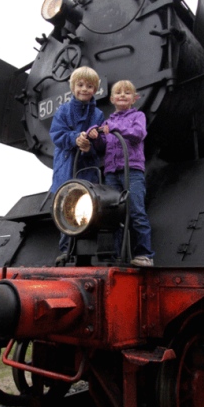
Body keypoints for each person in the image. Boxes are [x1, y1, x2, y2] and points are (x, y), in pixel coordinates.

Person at [88, 80, 155, 267]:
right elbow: (102, 146)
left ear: (134, 98)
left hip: (131, 170)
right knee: (114, 214)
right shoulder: (107, 122)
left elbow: (138, 134)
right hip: (111, 172)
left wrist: (117, 129)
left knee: (136, 211)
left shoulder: (138, 116)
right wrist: (95, 136)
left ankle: (144, 254)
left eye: (127, 93)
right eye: (118, 93)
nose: (123, 95)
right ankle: (116, 255)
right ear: (112, 99)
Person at [50, 66, 105, 254]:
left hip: (88, 168)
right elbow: (57, 135)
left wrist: (90, 147)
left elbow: (102, 145)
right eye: (80, 85)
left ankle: (87, 251)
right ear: (73, 87)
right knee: (66, 208)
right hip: (66, 167)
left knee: (90, 208)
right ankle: (66, 251)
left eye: (89, 86)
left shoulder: (98, 115)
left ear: (95, 89)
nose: (84, 89)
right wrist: (75, 138)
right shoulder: (63, 111)